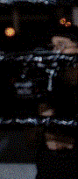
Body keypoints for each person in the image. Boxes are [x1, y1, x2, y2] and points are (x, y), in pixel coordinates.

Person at [35, 24, 77, 178]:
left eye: (62, 45)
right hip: (51, 159)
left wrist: (66, 139)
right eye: (53, 46)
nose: (56, 51)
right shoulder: (50, 77)